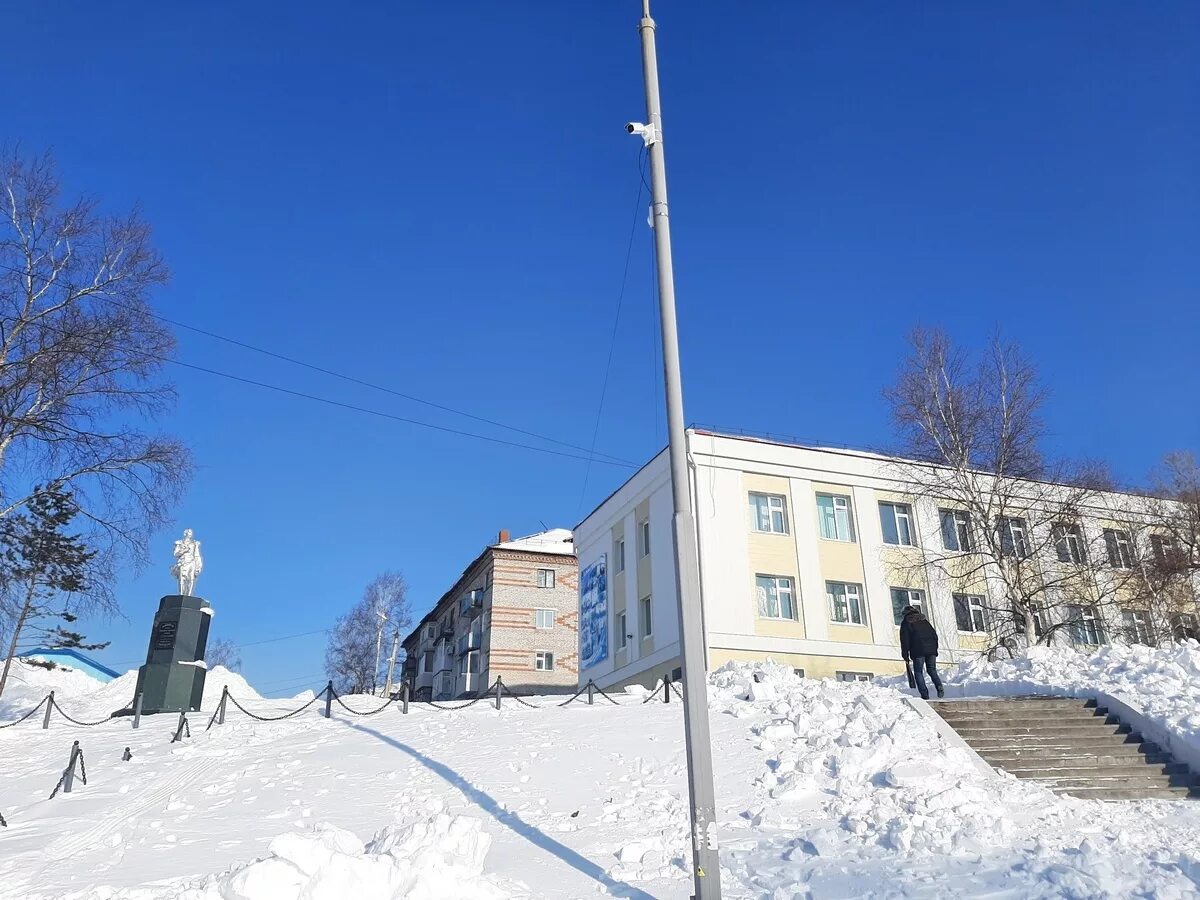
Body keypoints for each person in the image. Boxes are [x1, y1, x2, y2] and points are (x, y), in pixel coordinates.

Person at [899, 605, 944, 700]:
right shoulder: (924, 621)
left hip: (918, 650)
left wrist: (905, 654)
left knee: (918, 672)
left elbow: (905, 640)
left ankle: (924, 694)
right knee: (932, 669)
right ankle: (939, 686)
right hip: (931, 649)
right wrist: (934, 648)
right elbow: (934, 635)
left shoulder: (906, 622)